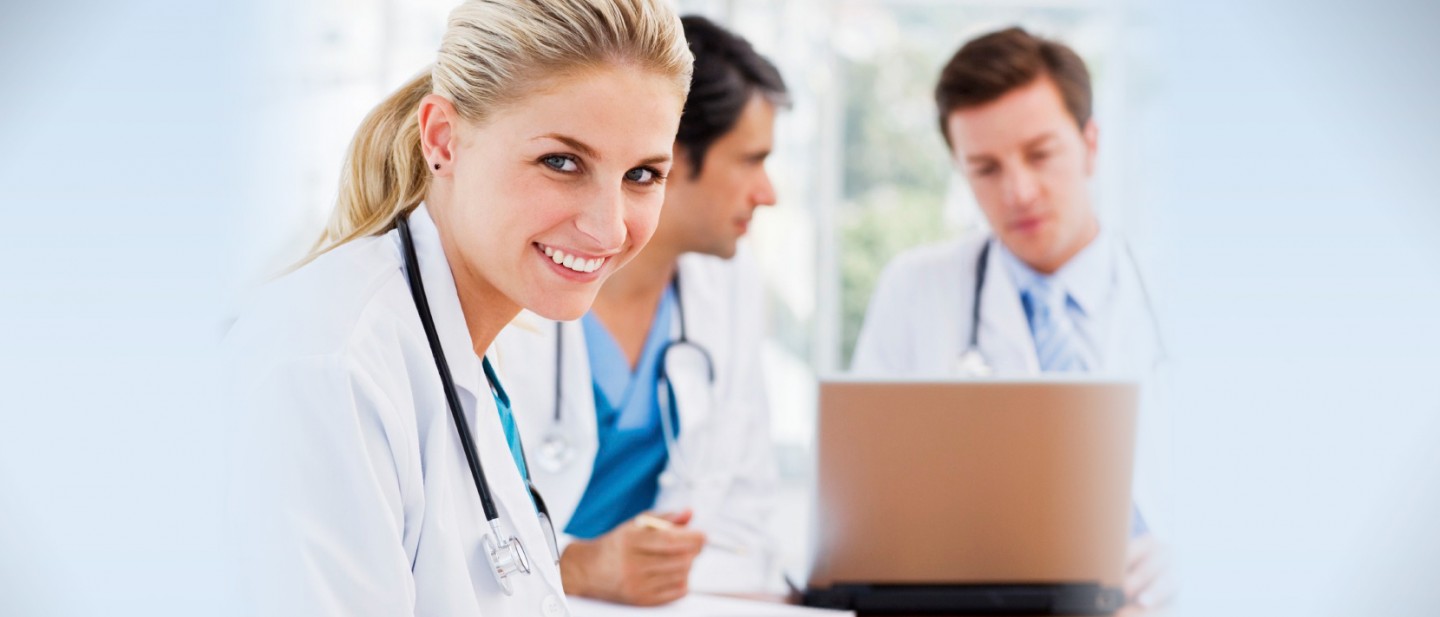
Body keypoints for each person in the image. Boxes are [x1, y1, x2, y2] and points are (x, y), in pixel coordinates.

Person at [223, 1, 692, 615]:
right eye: (561, 162)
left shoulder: (466, 347)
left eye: (642, 176)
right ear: (443, 140)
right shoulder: (329, 367)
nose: (607, 229)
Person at [851, 27, 1173, 610]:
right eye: (986, 168)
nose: (1018, 191)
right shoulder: (916, 288)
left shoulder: (1180, 289)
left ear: (1091, 145)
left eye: (1040, 155)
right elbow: (869, 506)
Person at [492, 15, 787, 606]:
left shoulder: (728, 283)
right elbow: (450, 533)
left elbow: (746, 505)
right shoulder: (513, 277)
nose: (768, 192)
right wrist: (573, 566)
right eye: (751, 160)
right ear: (669, 154)